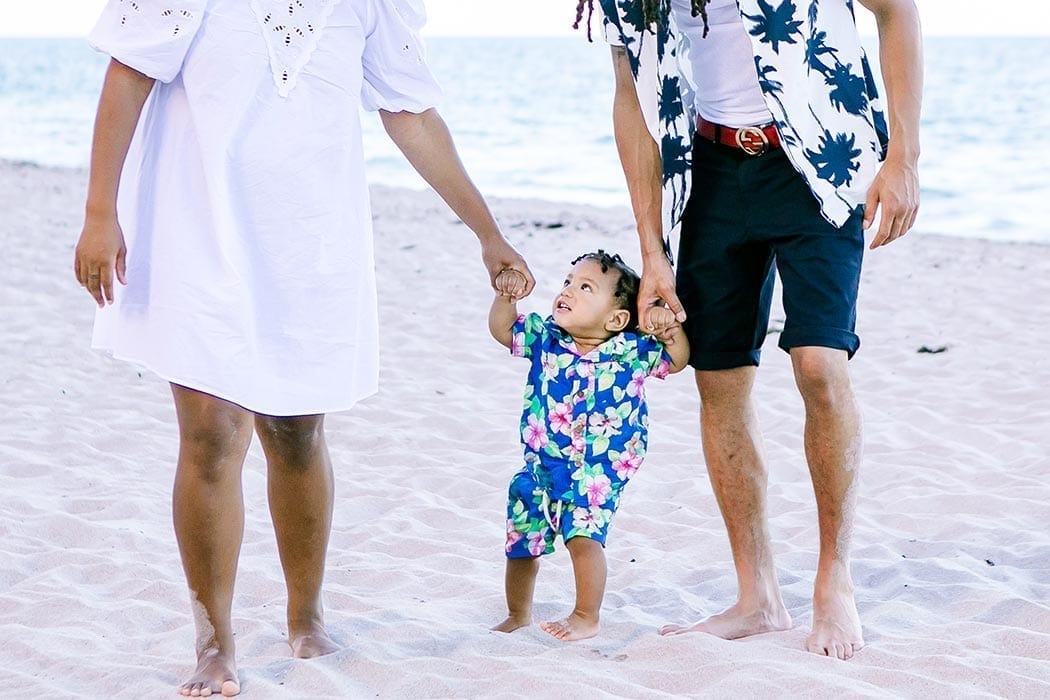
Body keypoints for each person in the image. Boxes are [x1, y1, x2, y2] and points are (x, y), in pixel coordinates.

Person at [73, 0, 534, 695]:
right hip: (198, 225)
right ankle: (214, 642)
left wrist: (487, 231)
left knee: (295, 432)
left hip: (309, 237)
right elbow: (129, 71)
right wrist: (99, 213)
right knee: (211, 433)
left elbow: (410, 112)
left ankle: (306, 616)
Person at [578, 0, 922, 659]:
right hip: (710, 172)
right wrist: (651, 253)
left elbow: (897, 11)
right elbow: (632, 100)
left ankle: (834, 578)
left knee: (820, 363)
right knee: (719, 380)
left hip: (820, 163)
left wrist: (903, 156)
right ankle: (757, 595)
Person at [488, 251, 689, 641]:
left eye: (585, 288)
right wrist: (506, 298)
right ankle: (517, 613)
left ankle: (586, 615)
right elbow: (502, 330)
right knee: (521, 544)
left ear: (616, 319)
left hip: (598, 470)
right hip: (540, 466)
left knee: (583, 538)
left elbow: (677, 360)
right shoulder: (545, 338)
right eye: (567, 282)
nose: (568, 292)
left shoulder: (632, 351)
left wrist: (669, 331)